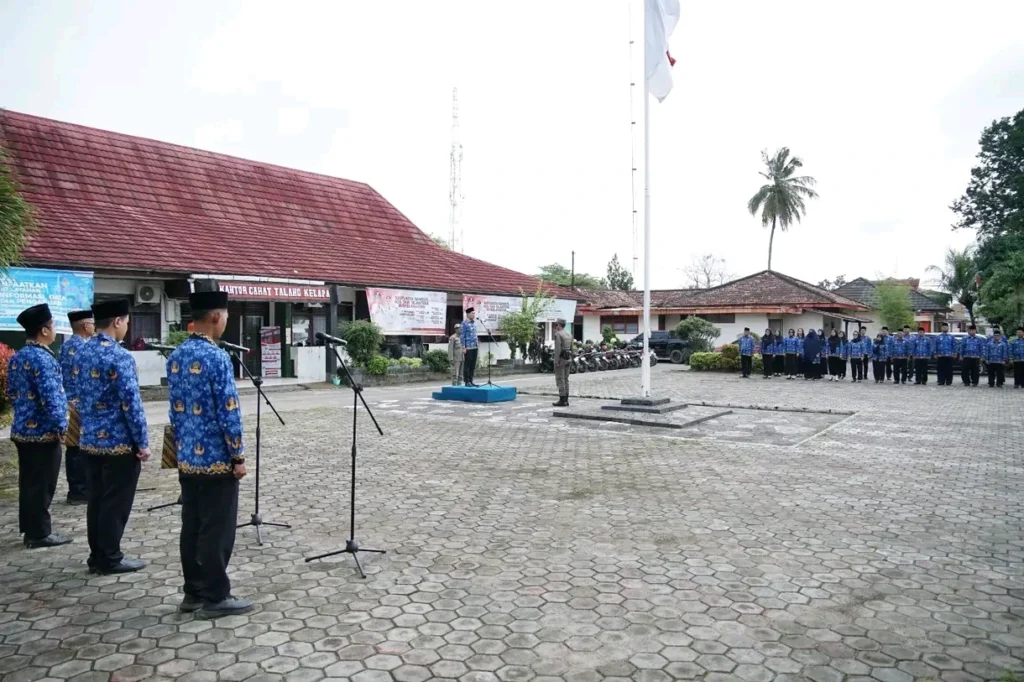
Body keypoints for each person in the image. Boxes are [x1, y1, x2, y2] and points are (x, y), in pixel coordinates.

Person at [167, 291, 253, 618]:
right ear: (216, 317)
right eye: (227, 315)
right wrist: (238, 457)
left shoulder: (175, 356)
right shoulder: (217, 358)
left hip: (188, 458)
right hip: (217, 459)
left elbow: (174, 412)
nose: (227, 321)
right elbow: (228, 414)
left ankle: (193, 591)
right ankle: (216, 597)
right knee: (217, 530)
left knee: (192, 526)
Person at [74, 299, 150, 575]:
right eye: (127, 321)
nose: (127, 327)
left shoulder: (81, 352)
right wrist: (142, 442)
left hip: (89, 440)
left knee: (96, 501)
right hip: (118, 443)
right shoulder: (119, 356)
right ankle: (110, 557)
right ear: (117, 321)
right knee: (115, 504)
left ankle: (97, 555)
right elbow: (132, 404)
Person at [7, 304, 71, 549]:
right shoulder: (43, 359)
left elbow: (11, 392)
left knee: (29, 483)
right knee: (42, 485)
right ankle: (39, 533)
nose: (55, 330)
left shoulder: (18, 356)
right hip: (43, 433)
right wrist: (62, 427)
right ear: (44, 330)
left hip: (22, 430)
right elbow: (51, 398)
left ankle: (31, 528)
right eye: (53, 326)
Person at [58, 309, 94, 505]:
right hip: (78, 404)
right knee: (78, 449)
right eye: (92, 323)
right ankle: (79, 490)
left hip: (70, 402)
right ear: (85, 326)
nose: (94, 327)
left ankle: (78, 489)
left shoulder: (66, 346)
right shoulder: (82, 348)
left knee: (74, 447)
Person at [552, 319, 572, 406]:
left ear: (559, 325)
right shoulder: (569, 334)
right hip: (568, 358)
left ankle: (562, 399)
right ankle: (566, 399)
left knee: (560, 379)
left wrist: (556, 361)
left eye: (556, 324)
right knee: (566, 379)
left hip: (561, 359)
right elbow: (571, 348)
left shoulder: (558, 334)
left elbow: (557, 349)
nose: (556, 326)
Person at [460, 307, 479, 387]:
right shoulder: (464, 323)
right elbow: (462, 336)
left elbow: (475, 335)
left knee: (472, 365)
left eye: (474, 313)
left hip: (475, 346)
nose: (473, 315)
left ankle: (471, 381)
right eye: (472, 313)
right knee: (467, 365)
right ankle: (467, 381)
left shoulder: (474, 323)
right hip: (468, 347)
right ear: (468, 314)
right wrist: (463, 347)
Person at [446, 322, 463, 386]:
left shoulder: (462, 337)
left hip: (462, 357)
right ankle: (454, 385)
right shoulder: (452, 338)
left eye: (461, 328)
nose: (460, 330)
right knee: (455, 373)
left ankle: (460, 384)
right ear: (456, 329)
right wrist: (451, 358)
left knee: (461, 373)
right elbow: (450, 349)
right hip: (455, 358)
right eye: (458, 328)